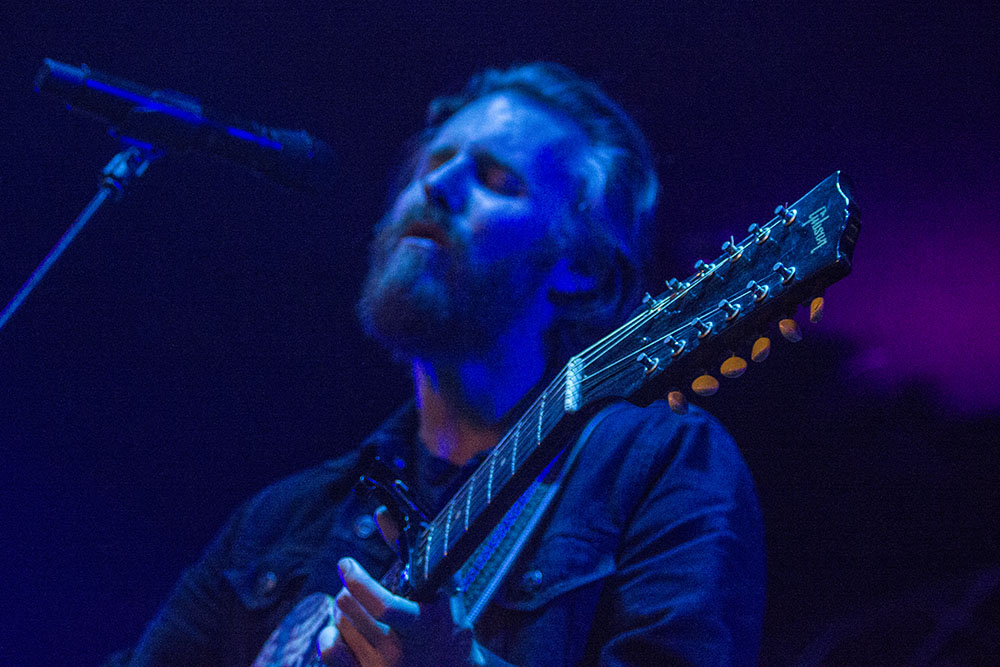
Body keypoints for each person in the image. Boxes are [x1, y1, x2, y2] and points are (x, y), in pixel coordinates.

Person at [105, 63, 764, 666]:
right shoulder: (278, 523)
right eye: (437, 161)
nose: (438, 185)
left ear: (582, 271)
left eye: (497, 179)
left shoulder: (657, 463)